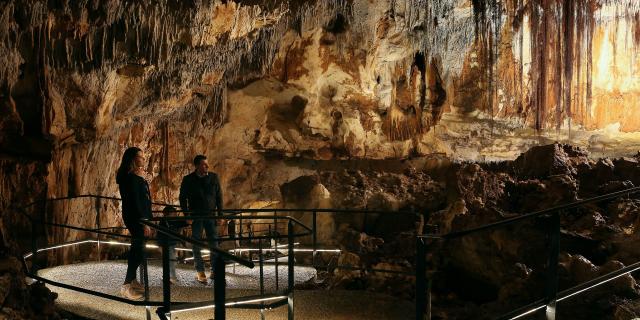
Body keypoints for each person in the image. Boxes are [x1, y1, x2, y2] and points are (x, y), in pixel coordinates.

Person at [179, 154, 223, 284]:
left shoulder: (214, 177)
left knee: (214, 243)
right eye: (204, 164)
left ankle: (215, 270)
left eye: (207, 164)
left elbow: (219, 197)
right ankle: (200, 270)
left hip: (210, 215)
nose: (207, 166)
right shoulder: (188, 179)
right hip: (196, 216)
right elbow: (182, 198)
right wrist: (187, 215)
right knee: (196, 243)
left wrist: (220, 215)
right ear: (197, 166)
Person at [116, 147, 152, 300]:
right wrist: (144, 222)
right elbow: (136, 202)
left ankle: (132, 280)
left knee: (139, 248)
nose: (143, 159)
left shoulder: (131, 177)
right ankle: (126, 285)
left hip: (136, 217)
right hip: (136, 218)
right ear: (132, 158)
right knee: (138, 249)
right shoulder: (131, 178)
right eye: (140, 156)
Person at [158, 206, 188, 284]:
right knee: (171, 260)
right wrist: (160, 246)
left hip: (171, 243)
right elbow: (160, 235)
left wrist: (187, 222)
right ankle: (172, 277)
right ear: (168, 214)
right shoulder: (164, 222)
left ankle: (167, 276)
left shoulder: (172, 221)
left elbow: (182, 223)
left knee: (171, 260)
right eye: (173, 213)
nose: (175, 214)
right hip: (166, 244)